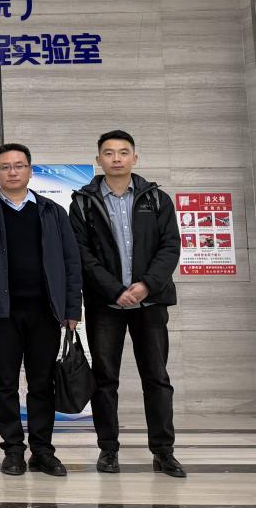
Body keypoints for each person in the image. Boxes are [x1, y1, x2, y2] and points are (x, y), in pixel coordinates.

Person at [70, 130, 185, 477]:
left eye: (123, 152)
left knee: (157, 378)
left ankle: (163, 451)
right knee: (105, 380)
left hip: (150, 303)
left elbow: (170, 246)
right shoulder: (83, 202)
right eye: (109, 153)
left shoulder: (157, 199)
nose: (116, 158)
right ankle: (108, 450)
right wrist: (114, 290)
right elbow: (82, 254)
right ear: (98, 160)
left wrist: (146, 285)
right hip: (106, 306)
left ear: (135, 157)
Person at [0, 145, 81, 477]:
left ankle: (42, 451)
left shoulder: (52, 211)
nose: (12, 172)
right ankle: (13, 449)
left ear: (30, 170)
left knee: (42, 383)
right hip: (1, 313)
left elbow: (71, 262)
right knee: (4, 384)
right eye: (5, 167)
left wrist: (72, 307)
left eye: (19, 165)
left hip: (46, 312)